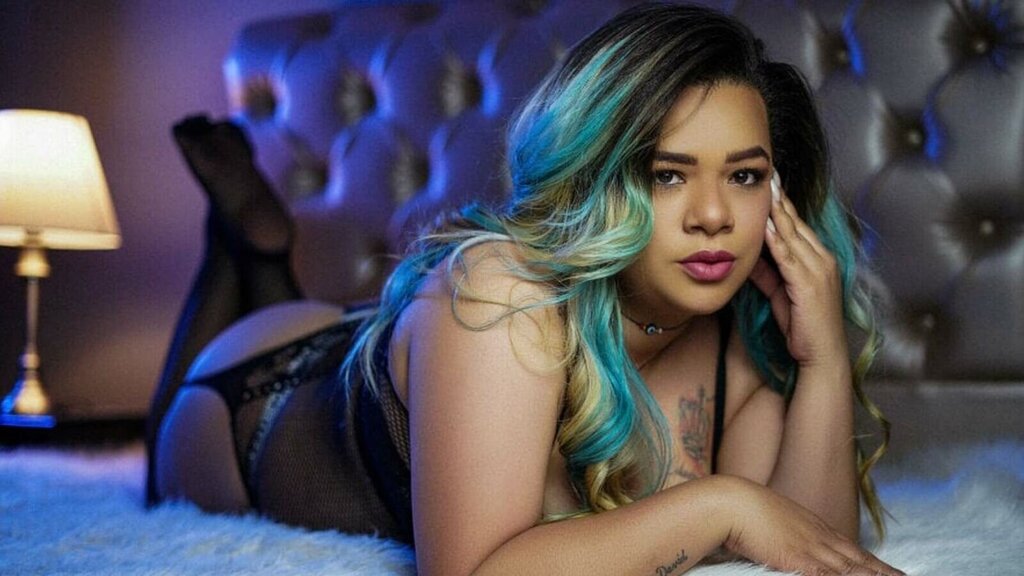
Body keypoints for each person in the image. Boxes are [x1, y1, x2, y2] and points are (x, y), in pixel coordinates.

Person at [146, 3, 905, 575]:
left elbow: (816, 548)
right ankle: (245, 251)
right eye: (666, 174)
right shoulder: (504, 288)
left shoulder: (741, 337)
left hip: (418, 350)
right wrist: (722, 503)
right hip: (257, 397)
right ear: (596, 173)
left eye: (744, 176)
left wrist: (824, 357)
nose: (715, 217)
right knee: (162, 439)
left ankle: (261, 256)